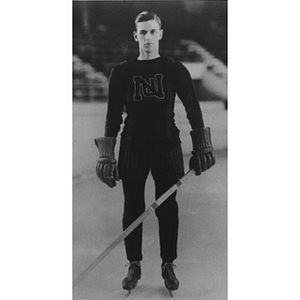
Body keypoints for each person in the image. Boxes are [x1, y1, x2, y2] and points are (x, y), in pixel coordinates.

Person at [94, 11, 215, 294]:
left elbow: (193, 109)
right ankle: (134, 264)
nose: (147, 38)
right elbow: (112, 117)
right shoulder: (122, 72)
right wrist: (107, 153)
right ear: (135, 36)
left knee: (168, 208)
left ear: (160, 34)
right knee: (133, 206)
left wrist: (202, 144)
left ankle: (168, 264)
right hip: (133, 147)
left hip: (167, 146)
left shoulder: (175, 69)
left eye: (152, 32)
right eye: (142, 32)